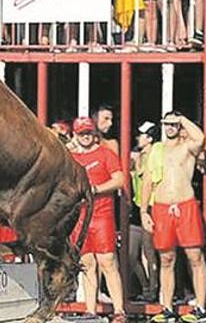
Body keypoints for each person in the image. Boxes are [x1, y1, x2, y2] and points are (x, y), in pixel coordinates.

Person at [142, 111, 206, 323]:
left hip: (185, 205)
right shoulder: (156, 150)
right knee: (166, 259)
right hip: (161, 208)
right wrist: (144, 211)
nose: (170, 127)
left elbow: (200, 138)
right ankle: (167, 307)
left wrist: (182, 120)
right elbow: (148, 181)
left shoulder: (186, 147)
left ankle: (200, 307)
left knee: (195, 256)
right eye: (167, 124)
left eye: (173, 124)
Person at [68, 117, 126, 323]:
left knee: (107, 261)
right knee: (87, 263)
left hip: (101, 214)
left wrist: (96, 190)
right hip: (80, 216)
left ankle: (119, 311)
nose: (85, 137)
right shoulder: (70, 156)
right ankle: (90, 311)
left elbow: (120, 179)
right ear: (75, 134)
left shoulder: (105, 153)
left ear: (95, 133)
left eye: (89, 133)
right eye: (81, 133)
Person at [130, 121, 160, 303]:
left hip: (150, 206)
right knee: (131, 254)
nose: (137, 138)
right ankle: (146, 286)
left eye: (141, 135)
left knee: (149, 252)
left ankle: (153, 292)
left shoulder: (157, 155)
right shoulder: (137, 155)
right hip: (135, 207)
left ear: (150, 138)